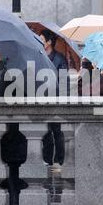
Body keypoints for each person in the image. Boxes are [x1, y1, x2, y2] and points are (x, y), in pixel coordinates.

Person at [40, 30, 67, 169]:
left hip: (55, 99)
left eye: (41, 39)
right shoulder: (39, 57)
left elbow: (64, 82)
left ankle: (59, 159)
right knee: (45, 131)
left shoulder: (60, 59)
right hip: (41, 100)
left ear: (49, 42)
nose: (39, 42)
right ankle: (47, 158)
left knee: (57, 130)